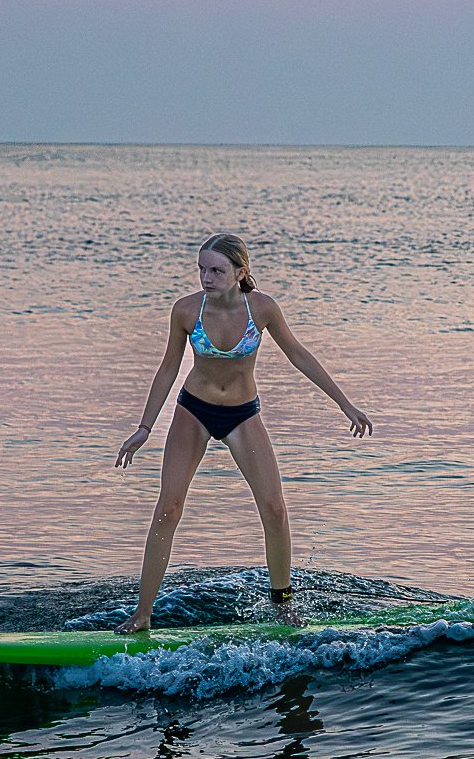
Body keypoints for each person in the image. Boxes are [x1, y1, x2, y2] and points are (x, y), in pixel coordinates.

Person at [113, 233, 372, 633]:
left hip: (242, 414)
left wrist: (345, 404)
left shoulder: (262, 308)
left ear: (240, 272)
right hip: (193, 411)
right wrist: (144, 427)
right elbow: (168, 368)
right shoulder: (185, 311)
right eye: (201, 269)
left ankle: (283, 604)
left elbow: (299, 354)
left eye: (216, 270)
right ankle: (143, 612)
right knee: (168, 508)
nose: (206, 277)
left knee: (275, 509)